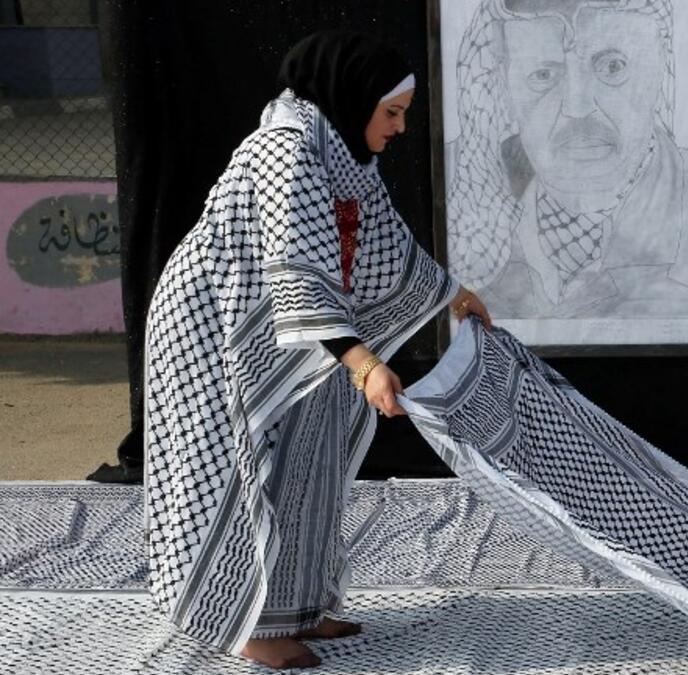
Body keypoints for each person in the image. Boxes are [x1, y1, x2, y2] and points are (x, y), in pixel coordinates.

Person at [143, 31, 491, 670]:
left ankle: (298, 608)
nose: (401, 127)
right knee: (233, 468)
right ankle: (241, 621)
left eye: (404, 112)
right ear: (354, 98)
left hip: (293, 328)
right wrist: (362, 364)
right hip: (216, 324)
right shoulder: (288, 148)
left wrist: (450, 293)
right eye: (393, 112)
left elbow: (389, 246)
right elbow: (297, 271)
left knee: (310, 454)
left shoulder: (345, 154)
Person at [445, 0, 688, 325]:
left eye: (612, 67)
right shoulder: (458, 202)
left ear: (659, 67)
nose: (577, 107)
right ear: (504, 86)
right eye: (543, 75)